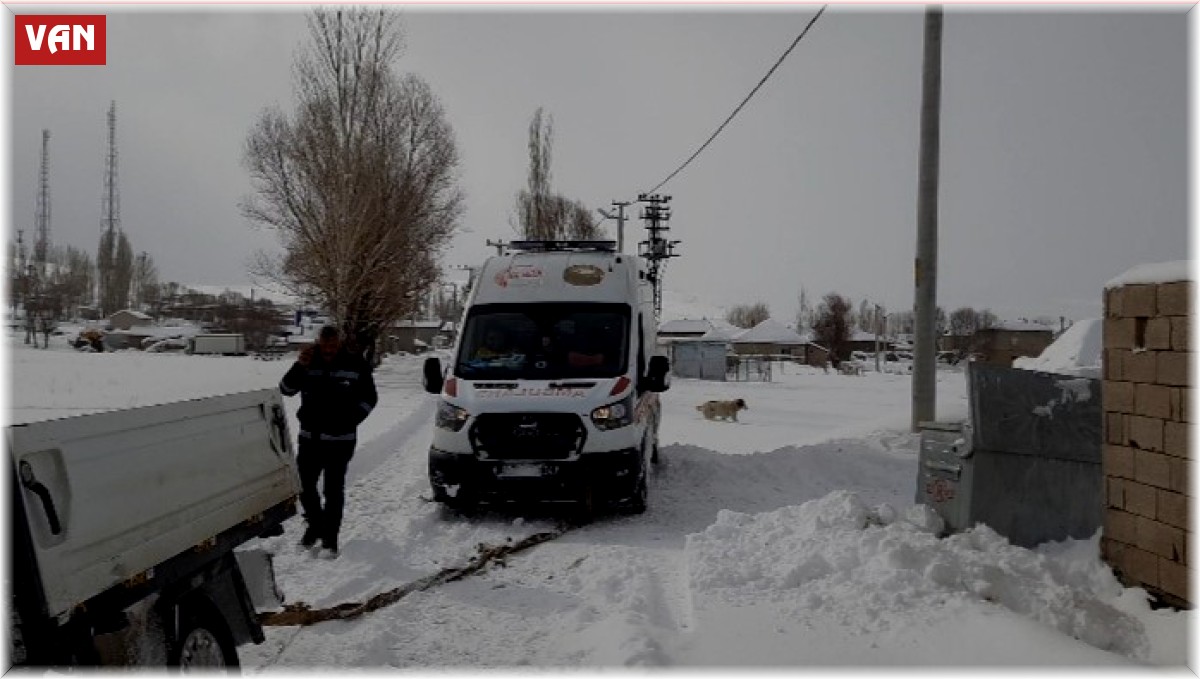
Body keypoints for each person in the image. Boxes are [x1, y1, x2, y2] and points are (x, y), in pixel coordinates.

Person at [279, 325, 378, 555]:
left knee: (333, 490)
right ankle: (315, 525)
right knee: (304, 486)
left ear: (339, 344)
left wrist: (351, 419)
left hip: (340, 440)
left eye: (333, 346)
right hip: (310, 439)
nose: (328, 351)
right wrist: (300, 366)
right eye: (325, 346)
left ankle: (330, 539)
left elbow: (370, 398)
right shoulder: (308, 361)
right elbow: (286, 389)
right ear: (318, 343)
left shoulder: (356, 363)